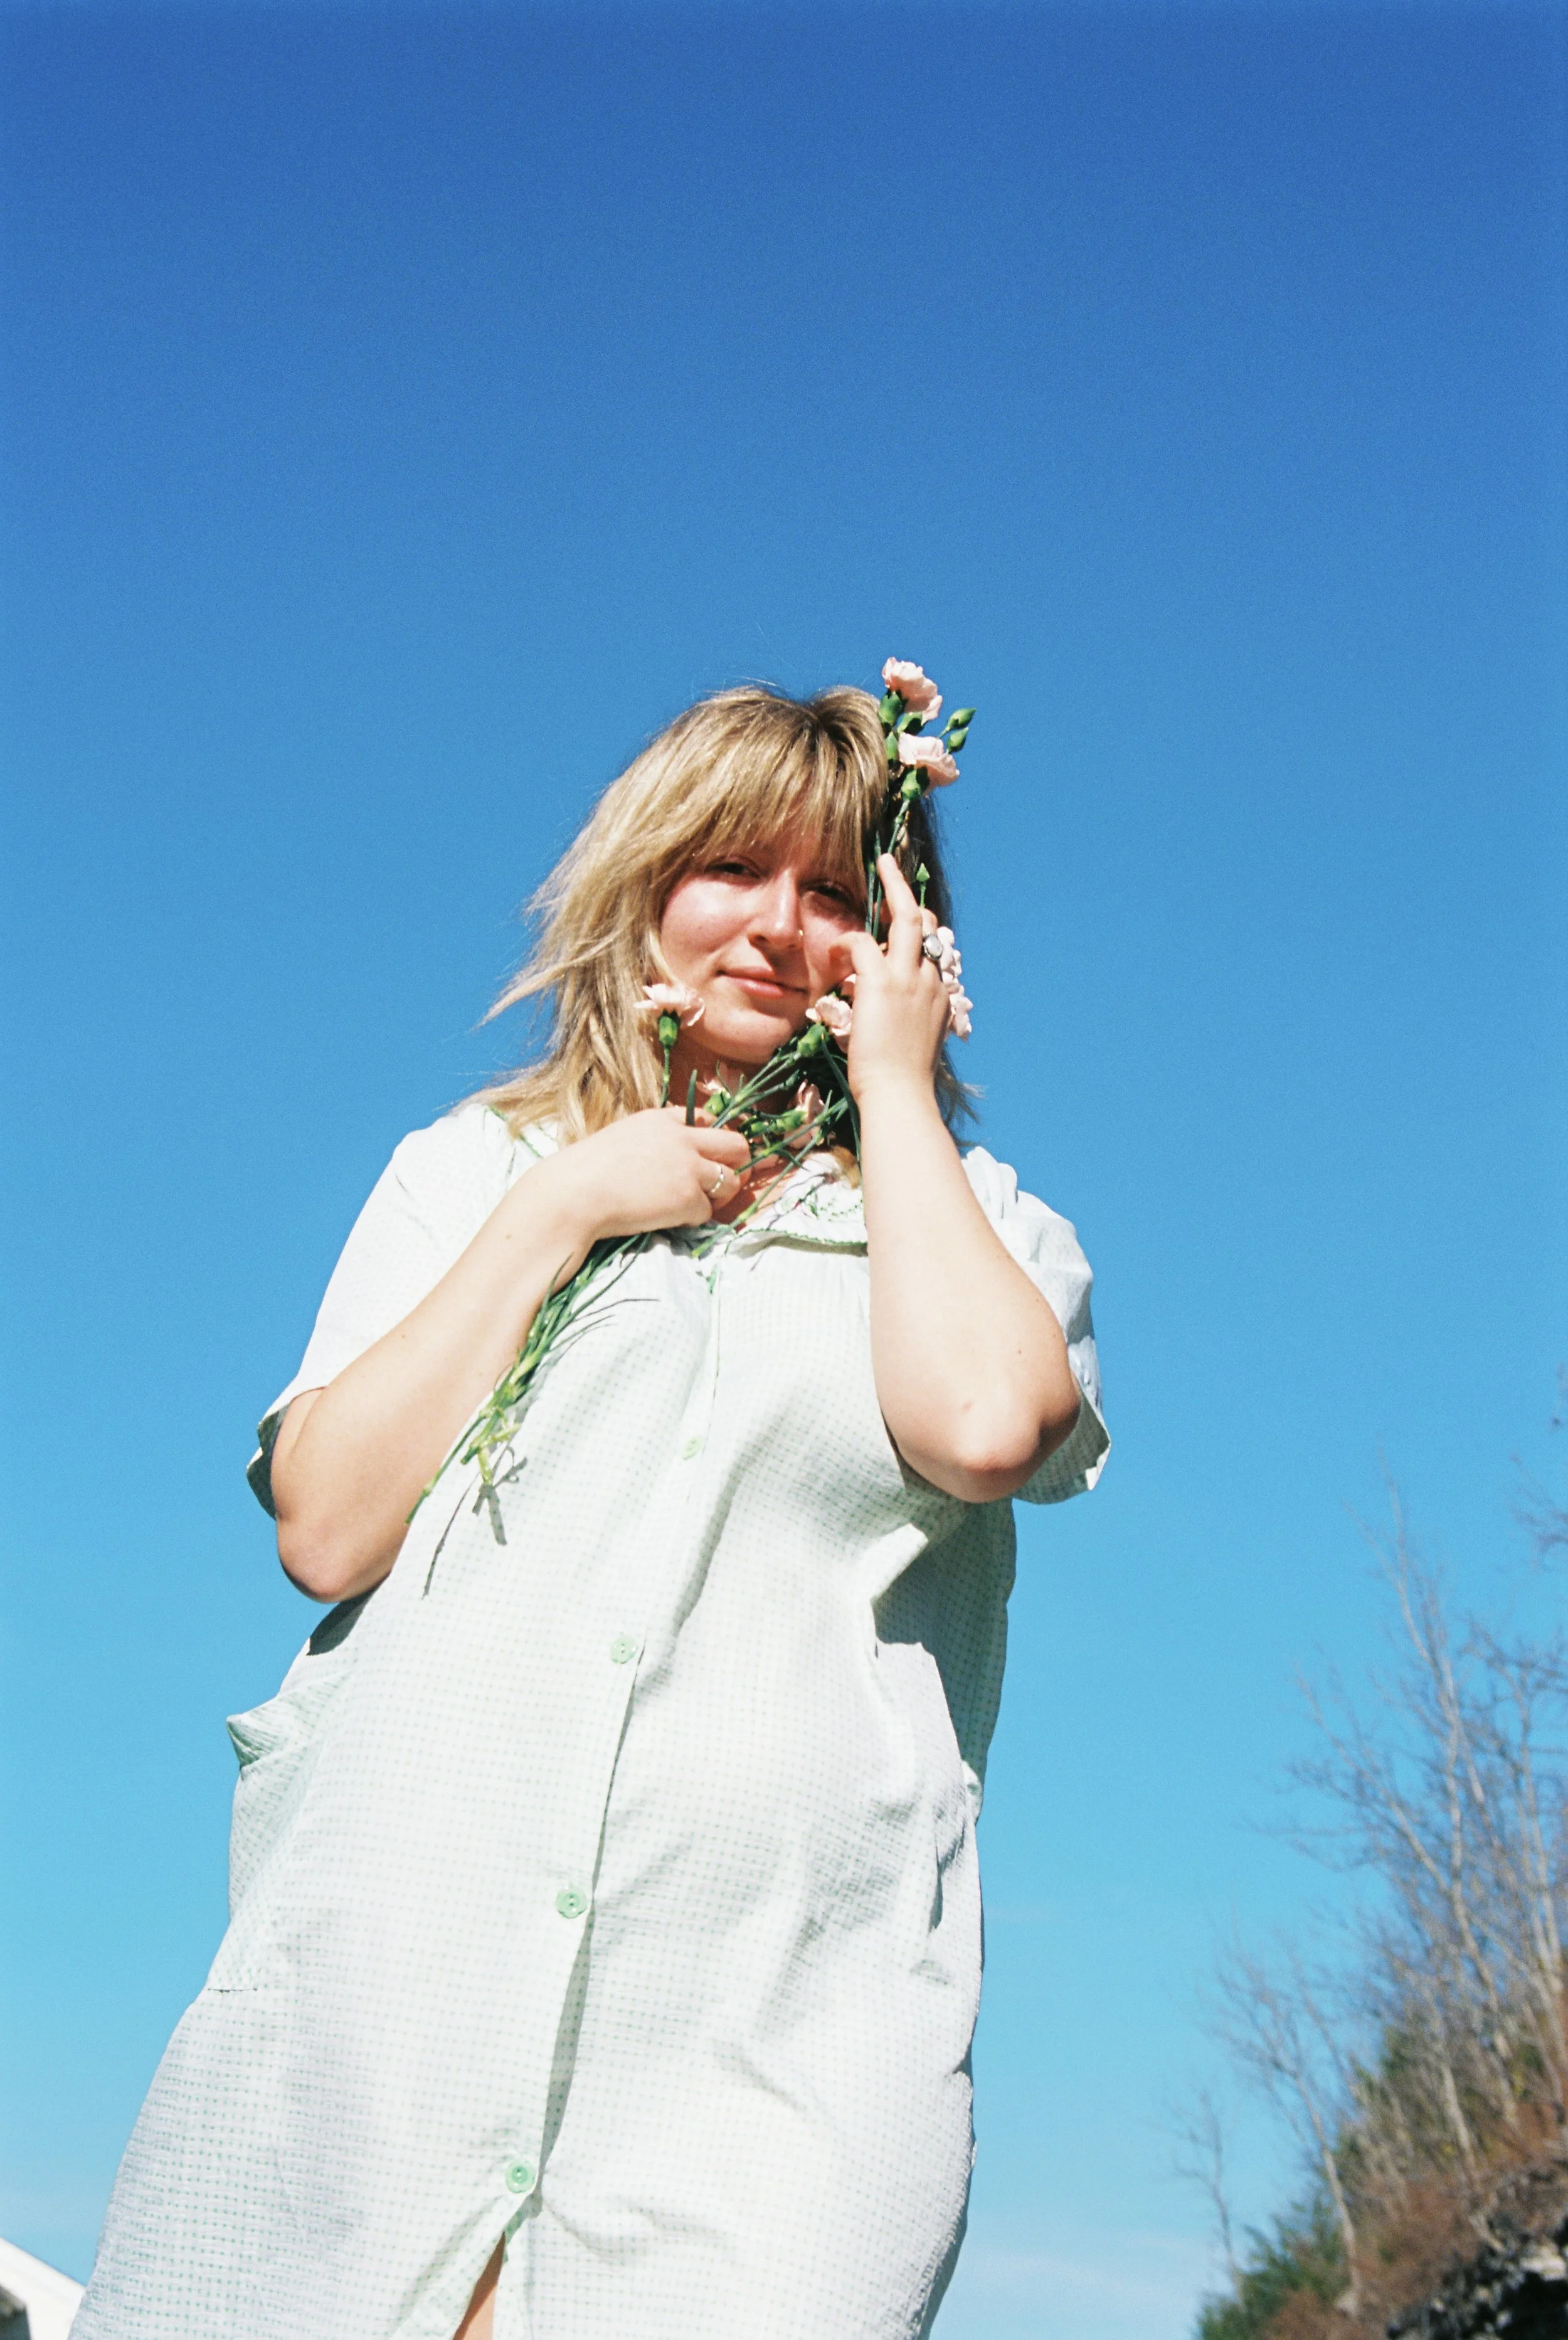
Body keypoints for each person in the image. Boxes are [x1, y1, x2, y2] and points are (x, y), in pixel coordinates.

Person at [74, 682, 1108, 2340]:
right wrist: (565, 1204)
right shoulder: (474, 1170)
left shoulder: (979, 1223)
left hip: (774, 2043)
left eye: (838, 891)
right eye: (732, 870)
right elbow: (328, 1529)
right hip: (394, 1995)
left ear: (903, 933)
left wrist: (897, 1096)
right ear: (645, 890)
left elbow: (982, 1424)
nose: (780, 925)